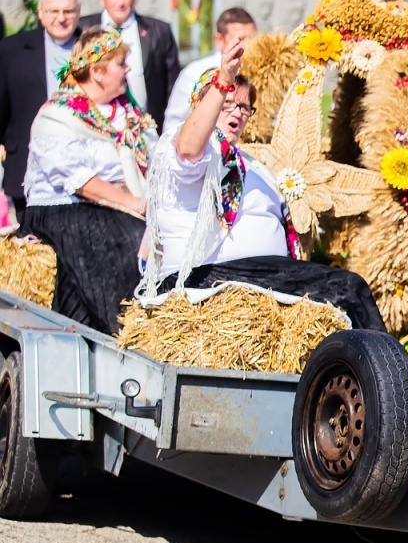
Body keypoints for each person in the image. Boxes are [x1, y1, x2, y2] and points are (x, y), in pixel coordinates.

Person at [136, 39, 384, 331]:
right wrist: (223, 81)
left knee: (349, 288)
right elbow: (190, 151)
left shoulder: (253, 163)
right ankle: (386, 374)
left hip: (262, 273)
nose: (238, 113)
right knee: (347, 288)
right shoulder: (182, 146)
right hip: (207, 275)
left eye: (244, 107)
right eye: (228, 103)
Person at [20, 28, 153, 333]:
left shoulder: (127, 114)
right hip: (64, 209)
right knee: (130, 240)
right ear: (97, 72)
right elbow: (80, 181)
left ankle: (84, 330)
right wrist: (134, 204)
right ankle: (128, 330)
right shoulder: (57, 116)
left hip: (110, 207)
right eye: (121, 64)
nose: (128, 70)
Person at [0, 0, 83, 214]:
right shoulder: (12, 49)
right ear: (40, 11)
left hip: (82, 168)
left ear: (78, 11)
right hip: (27, 166)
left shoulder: (92, 46)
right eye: (53, 11)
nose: (61, 18)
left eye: (68, 11)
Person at [85, 0, 180, 130]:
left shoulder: (159, 31)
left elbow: (173, 84)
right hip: (98, 126)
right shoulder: (84, 30)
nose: (120, 3)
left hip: (149, 127)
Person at [164, 8, 257, 131]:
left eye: (253, 38)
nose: (248, 45)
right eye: (241, 39)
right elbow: (173, 124)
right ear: (219, 40)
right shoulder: (195, 73)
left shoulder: (265, 72)